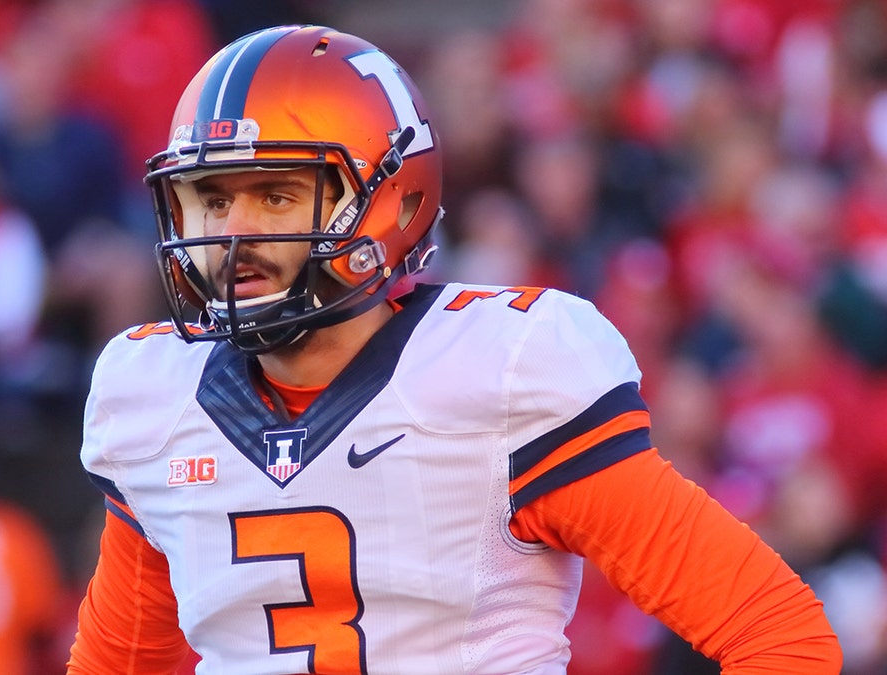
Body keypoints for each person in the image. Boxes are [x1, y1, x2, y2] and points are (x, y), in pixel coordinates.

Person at [66, 24, 841, 674]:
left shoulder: (501, 371)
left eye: (275, 195)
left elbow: (775, 633)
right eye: (210, 199)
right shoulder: (155, 396)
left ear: (390, 197)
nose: (232, 236)